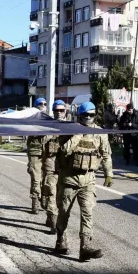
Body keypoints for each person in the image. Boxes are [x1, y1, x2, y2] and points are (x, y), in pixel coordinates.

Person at [56, 102, 113, 261]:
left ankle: (85, 246)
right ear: (79, 116)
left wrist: (109, 174)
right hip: (69, 179)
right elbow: (64, 150)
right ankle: (61, 238)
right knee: (63, 212)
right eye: (85, 115)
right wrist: (79, 134)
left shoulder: (100, 133)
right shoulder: (69, 130)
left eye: (91, 115)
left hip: (88, 179)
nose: (88, 118)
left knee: (87, 213)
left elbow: (106, 154)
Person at [41, 100, 67, 232]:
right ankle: (52, 219)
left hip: (65, 166)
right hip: (50, 163)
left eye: (61, 110)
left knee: (61, 195)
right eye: (56, 111)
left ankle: (51, 215)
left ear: (65, 111)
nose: (59, 113)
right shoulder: (47, 125)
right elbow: (42, 141)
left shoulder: (70, 126)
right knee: (51, 190)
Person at [26, 97, 48, 214]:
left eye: (45, 104)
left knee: (47, 178)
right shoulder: (30, 120)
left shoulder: (49, 119)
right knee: (36, 179)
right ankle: (35, 202)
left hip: (48, 152)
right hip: (35, 152)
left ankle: (44, 198)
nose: (43, 105)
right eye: (40, 104)